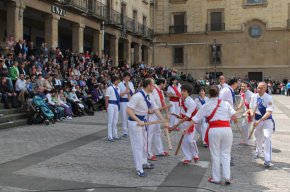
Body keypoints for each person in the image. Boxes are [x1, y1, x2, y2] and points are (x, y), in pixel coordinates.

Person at [187, 85, 237, 184]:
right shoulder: (225, 103)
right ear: (219, 93)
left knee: (215, 154)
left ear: (209, 94)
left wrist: (186, 128)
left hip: (214, 130)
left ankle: (216, 178)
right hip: (227, 129)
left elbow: (195, 119)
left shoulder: (206, 105)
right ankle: (227, 177)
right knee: (226, 154)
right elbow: (234, 118)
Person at [126, 78, 168, 177]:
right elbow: (128, 110)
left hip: (143, 122)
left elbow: (155, 109)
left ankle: (144, 162)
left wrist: (163, 119)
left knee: (145, 143)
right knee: (138, 145)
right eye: (153, 85)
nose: (154, 87)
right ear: (148, 86)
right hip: (135, 123)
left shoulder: (149, 95)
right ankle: (139, 168)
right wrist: (138, 120)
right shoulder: (138, 96)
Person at [170, 84, 199, 164]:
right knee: (184, 141)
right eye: (181, 90)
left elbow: (187, 116)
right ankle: (188, 157)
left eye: (184, 91)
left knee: (190, 140)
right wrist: (178, 117)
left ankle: (195, 155)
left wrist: (176, 124)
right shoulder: (181, 100)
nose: (182, 92)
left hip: (190, 123)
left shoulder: (192, 102)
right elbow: (182, 113)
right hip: (183, 122)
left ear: (188, 92)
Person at [250, 82, 274, 168]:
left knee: (267, 137)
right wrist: (252, 113)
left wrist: (259, 120)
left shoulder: (269, 98)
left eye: (261, 88)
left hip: (266, 120)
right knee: (257, 137)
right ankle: (258, 151)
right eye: (258, 87)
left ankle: (267, 159)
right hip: (257, 119)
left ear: (265, 89)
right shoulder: (254, 96)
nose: (259, 89)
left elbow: (269, 112)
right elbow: (251, 107)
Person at [147, 78, 170, 161]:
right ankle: (148, 153)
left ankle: (159, 151)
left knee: (157, 132)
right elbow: (147, 99)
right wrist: (148, 109)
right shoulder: (153, 90)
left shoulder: (160, 91)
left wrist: (167, 113)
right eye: (165, 83)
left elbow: (163, 102)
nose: (165, 85)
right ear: (161, 83)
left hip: (158, 112)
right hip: (152, 114)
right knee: (150, 133)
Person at [118, 72, 135, 137]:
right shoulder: (120, 84)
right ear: (124, 77)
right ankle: (125, 131)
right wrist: (125, 92)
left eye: (129, 77)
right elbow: (118, 94)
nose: (128, 78)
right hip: (123, 102)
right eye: (126, 77)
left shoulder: (131, 84)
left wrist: (129, 90)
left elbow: (133, 93)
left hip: (130, 101)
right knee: (124, 116)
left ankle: (131, 130)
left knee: (131, 116)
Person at [105, 76, 120, 141]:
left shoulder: (118, 88)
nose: (118, 81)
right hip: (111, 104)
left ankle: (115, 135)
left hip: (116, 105)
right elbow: (106, 98)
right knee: (110, 121)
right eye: (117, 80)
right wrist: (107, 107)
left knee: (115, 120)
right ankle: (109, 136)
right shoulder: (109, 88)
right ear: (114, 81)